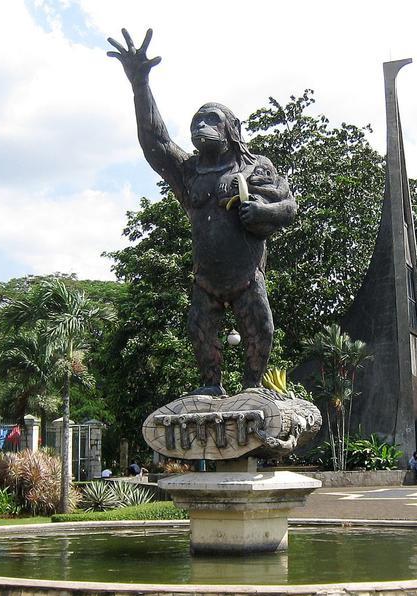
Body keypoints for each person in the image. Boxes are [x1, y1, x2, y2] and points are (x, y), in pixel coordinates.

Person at [108, 29, 298, 395]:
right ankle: (211, 386)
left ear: (232, 129)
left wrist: (261, 210)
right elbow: (156, 142)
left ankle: (253, 388)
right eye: (196, 122)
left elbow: (288, 208)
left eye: (210, 120)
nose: (200, 127)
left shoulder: (255, 166)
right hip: (205, 280)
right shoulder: (189, 172)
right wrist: (140, 84)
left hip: (246, 276)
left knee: (262, 328)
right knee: (199, 331)